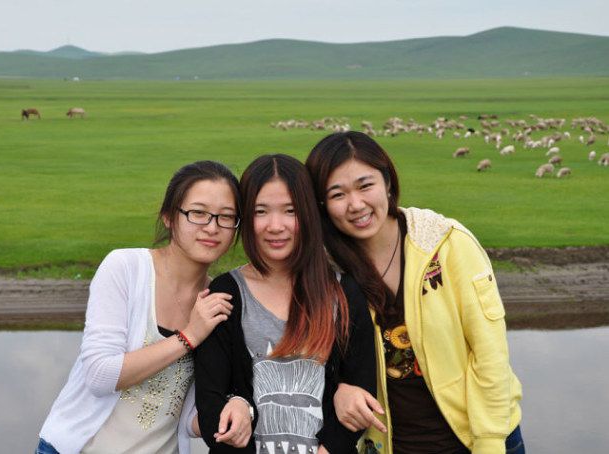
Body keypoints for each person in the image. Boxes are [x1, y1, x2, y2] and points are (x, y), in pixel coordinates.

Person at [305, 132, 524, 454]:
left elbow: (489, 352)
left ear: (388, 182)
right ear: (322, 205)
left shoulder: (446, 243)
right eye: (338, 194)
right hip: (389, 446)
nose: (356, 204)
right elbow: (312, 360)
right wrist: (339, 389)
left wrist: (489, 442)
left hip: (476, 441)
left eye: (365, 186)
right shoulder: (327, 272)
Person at [36, 161, 241, 454]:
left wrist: (237, 409)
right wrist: (189, 337)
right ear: (169, 217)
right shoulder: (126, 268)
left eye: (226, 217)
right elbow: (99, 375)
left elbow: (186, 418)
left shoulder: (217, 300)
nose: (212, 227)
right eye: (198, 213)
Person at [194, 154, 376, 453]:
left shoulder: (343, 293)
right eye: (261, 211)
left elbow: (360, 390)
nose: (275, 226)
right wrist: (238, 402)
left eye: (290, 211)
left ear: (308, 214)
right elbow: (211, 403)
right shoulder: (227, 293)